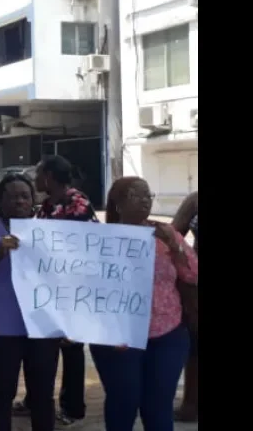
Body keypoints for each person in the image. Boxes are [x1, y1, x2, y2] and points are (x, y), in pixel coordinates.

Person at [90, 177, 197, 431]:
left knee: (158, 407)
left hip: (167, 333)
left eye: (149, 196)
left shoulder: (165, 234)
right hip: (117, 338)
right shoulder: (99, 240)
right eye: (137, 196)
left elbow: (193, 274)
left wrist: (175, 247)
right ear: (118, 204)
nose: (146, 201)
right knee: (123, 404)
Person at [0, 173, 60, 431]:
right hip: (2, 331)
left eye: (25, 196)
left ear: (33, 201)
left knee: (42, 397)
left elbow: (65, 277)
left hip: (42, 330)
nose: (19, 201)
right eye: (12, 196)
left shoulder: (48, 232)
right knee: (1, 397)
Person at [14, 155, 97, 427]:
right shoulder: (47, 205)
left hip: (72, 293)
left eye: (38, 174)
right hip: (47, 292)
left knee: (71, 350)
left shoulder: (78, 203)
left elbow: (81, 248)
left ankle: (73, 407)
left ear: (48, 176)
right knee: (41, 348)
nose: (35, 179)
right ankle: (35, 399)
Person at [171, 190, 199, 423]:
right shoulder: (195, 200)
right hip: (196, 283)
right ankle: (191, 404)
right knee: (196, 346)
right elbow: (173, 236)